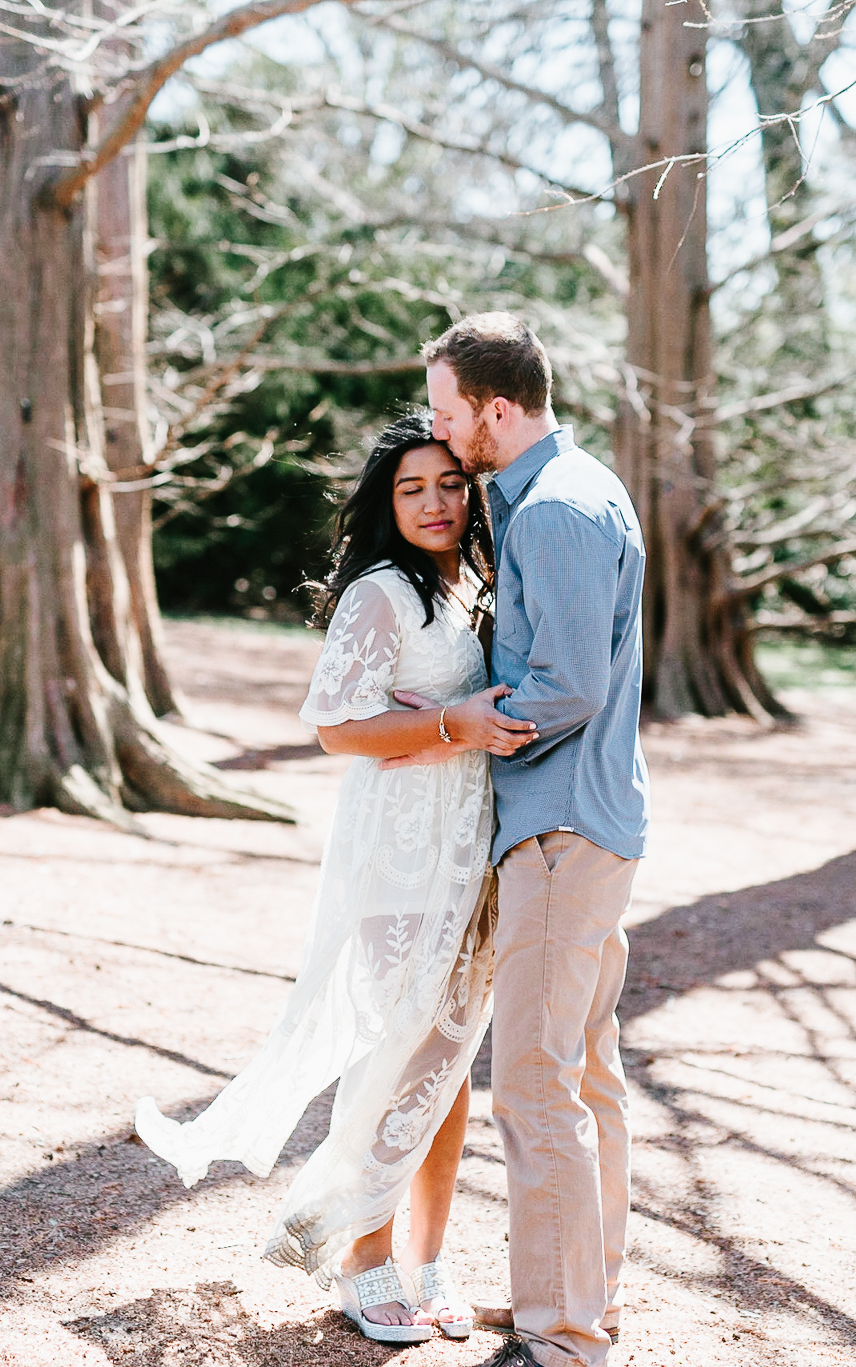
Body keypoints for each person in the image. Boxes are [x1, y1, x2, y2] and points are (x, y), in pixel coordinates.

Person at [134, 412, 537, 1344]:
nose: (435, 502)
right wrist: (452, 724)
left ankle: (430, 1259)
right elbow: (336, 727)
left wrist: (456, 722)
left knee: (446, 1077)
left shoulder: (472, 583)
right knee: (392, 1063)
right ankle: (362, 1261)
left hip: (466, 858)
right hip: (399, 861)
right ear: (385, 504)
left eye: (448, 484)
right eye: (411, 489)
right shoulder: (382, 595)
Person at [397, 313, 651, 1367]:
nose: (440, 433)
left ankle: (560, 1335)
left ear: (496, 410)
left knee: (540, 1087)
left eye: (449, 413)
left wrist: (469, 717)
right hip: (592, 821)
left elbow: (571, 686)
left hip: (558, 828)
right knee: (585, 1075)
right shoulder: (572, 488)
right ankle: (580, 1299)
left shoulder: (552, 510)